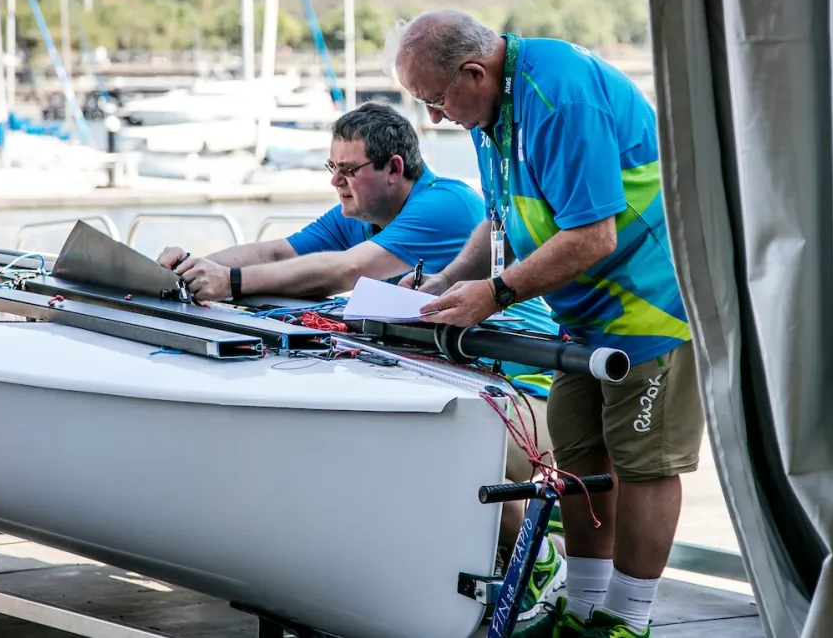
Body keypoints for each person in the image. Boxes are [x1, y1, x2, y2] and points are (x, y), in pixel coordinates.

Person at [158, 101, 566, 616]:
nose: (337, 183)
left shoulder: (446, 205)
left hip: (531, 392)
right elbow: (279, 254)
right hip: (463, 383)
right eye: (332, 169)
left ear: (394, 169)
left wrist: (230, 284)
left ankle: (541, 560)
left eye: (348, 171)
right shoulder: (358, 213)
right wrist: (194, 265)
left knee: (429, 441)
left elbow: (344, 272)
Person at [389, 10, 704, 638]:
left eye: (434, 100)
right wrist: (446, 282)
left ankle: (627, 620)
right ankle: (585, 607)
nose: (434, 117)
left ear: (474, 72)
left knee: (644, 464)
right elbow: (501, 219)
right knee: (577, 454)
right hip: (579, 314)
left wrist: (496, 294)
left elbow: (593, 235)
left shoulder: (557, 95)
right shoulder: (489, 104)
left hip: (650, 305)